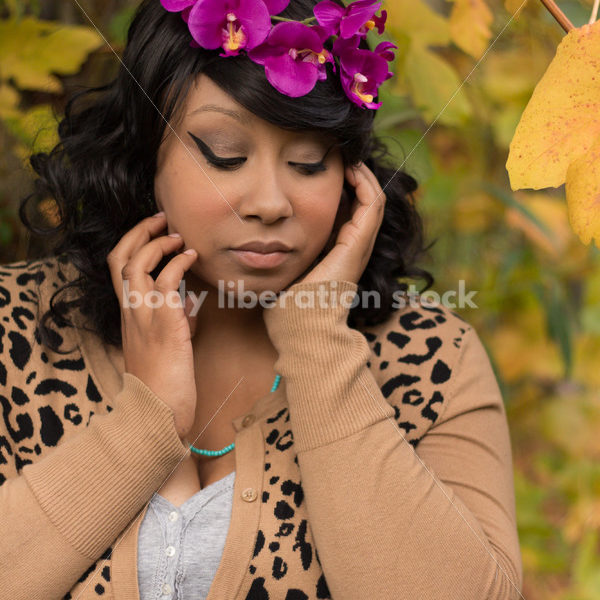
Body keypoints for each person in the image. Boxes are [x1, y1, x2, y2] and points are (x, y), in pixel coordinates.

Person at [0, 0, 523, 598]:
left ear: (353, 178)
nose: (270, 203)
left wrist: (317, 342)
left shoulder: (432, 359)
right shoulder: (18, 328)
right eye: (226, 155)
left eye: (308, 162)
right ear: (145, 160)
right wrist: (146, 423)